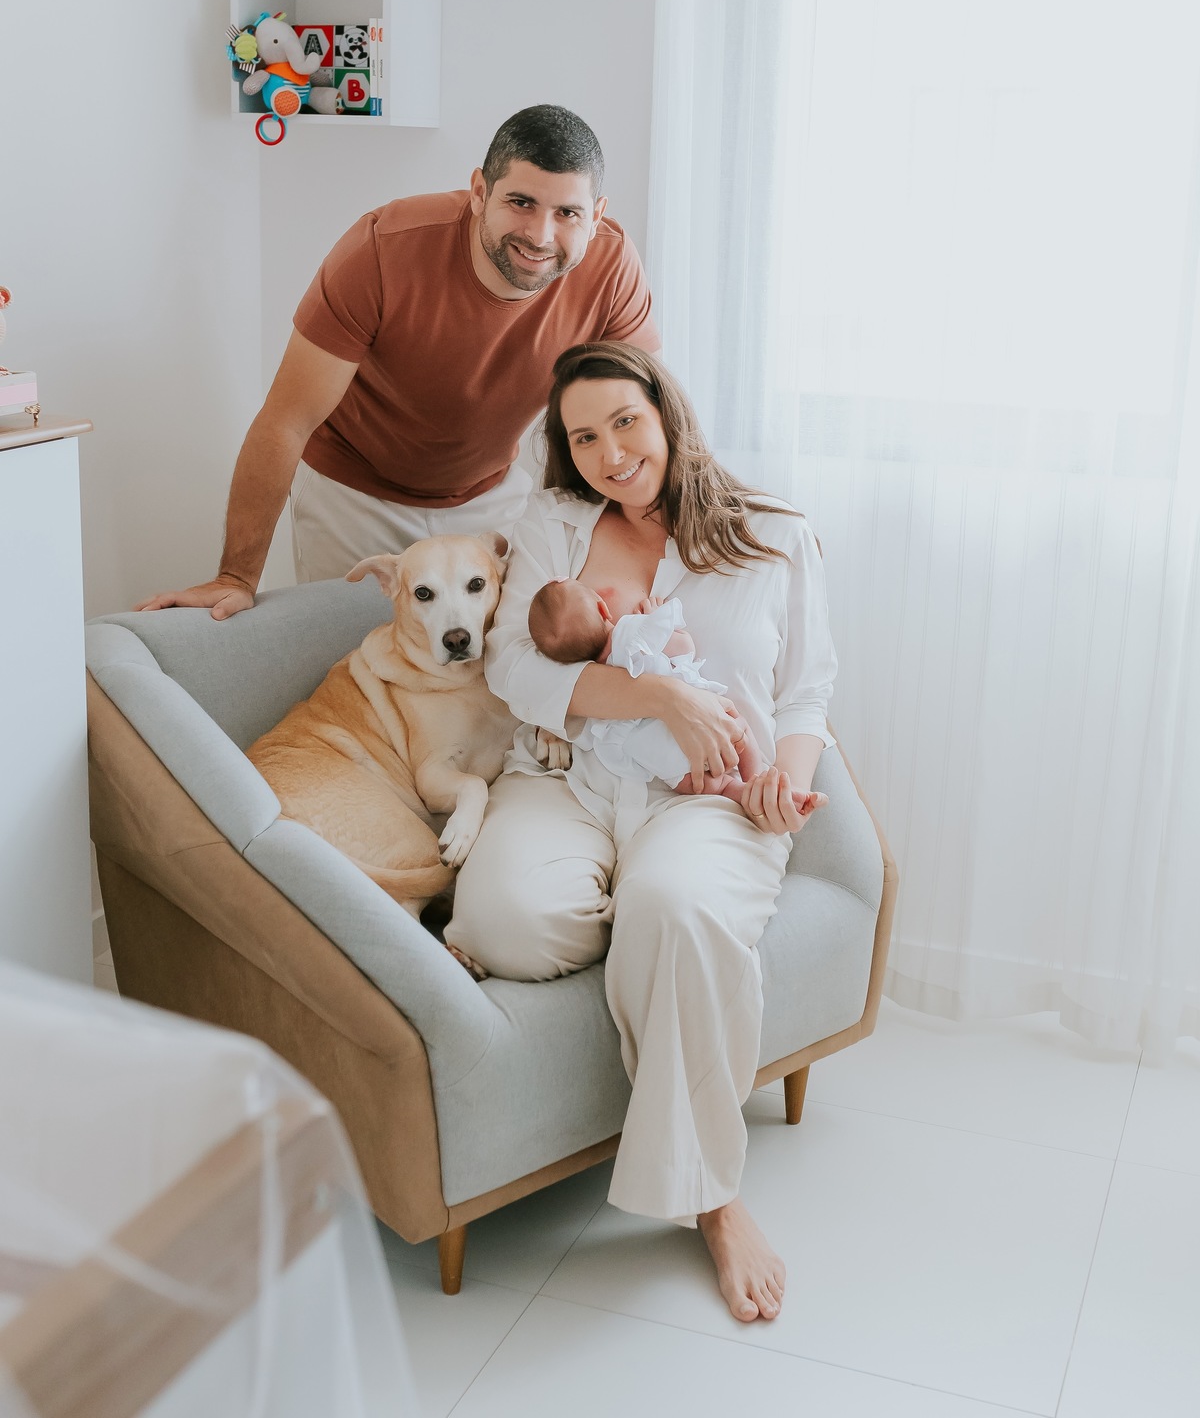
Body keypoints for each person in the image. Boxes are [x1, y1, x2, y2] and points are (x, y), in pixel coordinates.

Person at [444, 341, 837, 1325]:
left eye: (625, 421)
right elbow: (514, 669)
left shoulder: (774, 534)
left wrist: (781, 791)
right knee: (503, 924)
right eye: (584, 438)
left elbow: (806, 694)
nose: (611, 453)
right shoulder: (551, 525)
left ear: (666, 412)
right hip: (567, 777)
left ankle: (713, 1198)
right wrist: (661, 697)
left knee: (673, 906)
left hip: (711, 796)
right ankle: (655, 940)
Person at [137, 106, 658, 617]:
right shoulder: (382, 249)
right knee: (346, 656)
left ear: (597, 215)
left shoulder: (612, 265)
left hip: (490, 492)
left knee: (503, 656)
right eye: (521, 202)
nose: (541, 235)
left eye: (567, 213)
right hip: (355, 495)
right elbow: (286, 421)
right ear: (479, 192)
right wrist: (236, 577)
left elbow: (649, 417)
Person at [527, 582, 829, 821]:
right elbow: (684, 647)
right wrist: (656, 621)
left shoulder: (593, 695)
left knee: (721, 786)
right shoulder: (632, 633)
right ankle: (759, 782)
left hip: (668, 761)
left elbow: (606, 748)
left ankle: (741, 791)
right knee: (741, 732)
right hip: (711, 724)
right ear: (603, 609)